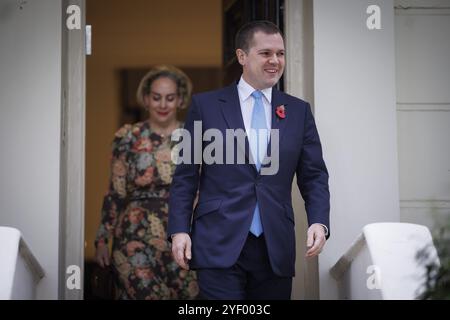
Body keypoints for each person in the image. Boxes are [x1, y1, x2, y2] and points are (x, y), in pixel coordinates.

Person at [168, 21, 330, 300]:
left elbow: (314, 175)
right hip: (218, 242)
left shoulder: (298, 111)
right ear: (242, 56)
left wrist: (319, 221)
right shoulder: (205, 106)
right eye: (265, 53)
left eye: (280, 54)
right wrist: (179, 229)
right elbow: (185, 176)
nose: (275, 61)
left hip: (274, 246)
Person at [94, 65, 199, 300]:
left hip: (182, 234)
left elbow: (203, 189)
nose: (163, 105)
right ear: (146, 99)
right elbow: (115, 191)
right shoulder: (127, 136)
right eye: (157, 97)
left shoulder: (195, 137)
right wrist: (102, 239)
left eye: (170, 98)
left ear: (180, 100)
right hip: (134, 234)